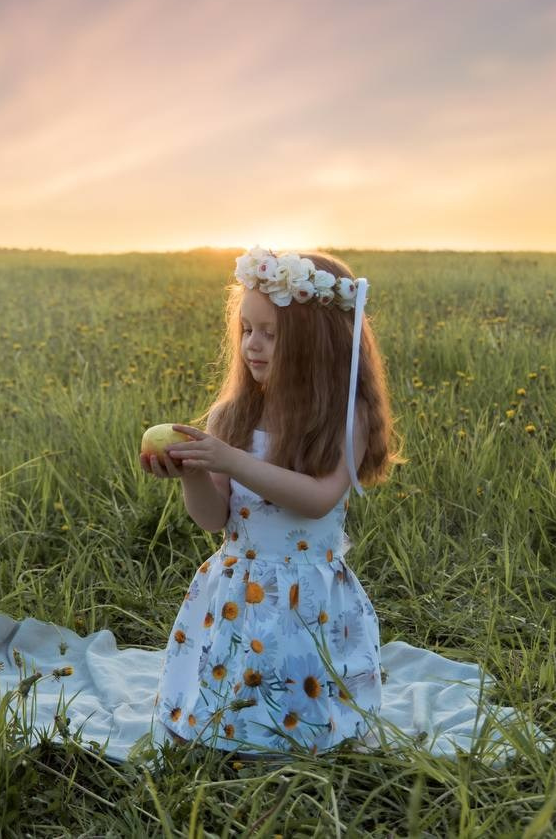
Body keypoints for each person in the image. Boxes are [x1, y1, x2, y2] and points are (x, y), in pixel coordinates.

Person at [141, 247, 398, 756]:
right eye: (246, 330)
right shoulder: (231, 417)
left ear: (316, 344)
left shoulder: (348, 418)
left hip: (311, 596)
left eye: (270, 334)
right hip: (240, 589)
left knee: (300, 685)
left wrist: (231, 461)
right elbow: (215, 519)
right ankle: (235, 725)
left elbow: (318, 500)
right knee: (236, 686)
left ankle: (301, 727)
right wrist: (193, 473)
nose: (252, 346)